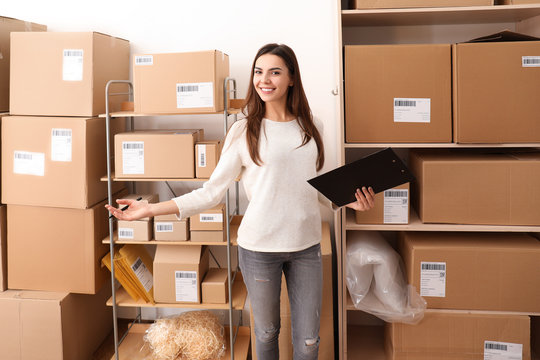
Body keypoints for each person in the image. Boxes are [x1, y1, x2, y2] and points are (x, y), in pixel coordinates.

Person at [106, 43, 375, 360]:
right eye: (259, 72)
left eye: (275, 72)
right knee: (266, 333)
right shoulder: (243, 130)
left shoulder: (311, 126)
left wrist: (346, 202)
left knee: (308, 341)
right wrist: (150, 209)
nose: (265, 79)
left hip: (306, 247)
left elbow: (312, 187)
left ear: (291, 78)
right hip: (259, 249)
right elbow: (211, 192)